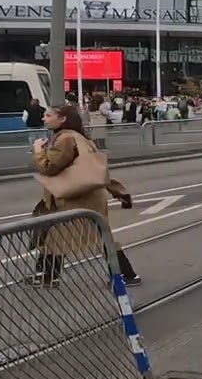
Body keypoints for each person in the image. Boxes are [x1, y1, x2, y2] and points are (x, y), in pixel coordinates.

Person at [31, 106, 139, 287]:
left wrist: (38, 151)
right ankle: (48, 275)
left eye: (49, 115)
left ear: (63, 119)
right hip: (87, 197)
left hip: (75, 198)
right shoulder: (80, 138)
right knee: (63, 236)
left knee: (81, 236)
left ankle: (125, 275)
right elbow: (95, 170)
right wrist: (117, 191)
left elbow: (49, 167)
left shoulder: (65, 138)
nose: (44, 118)